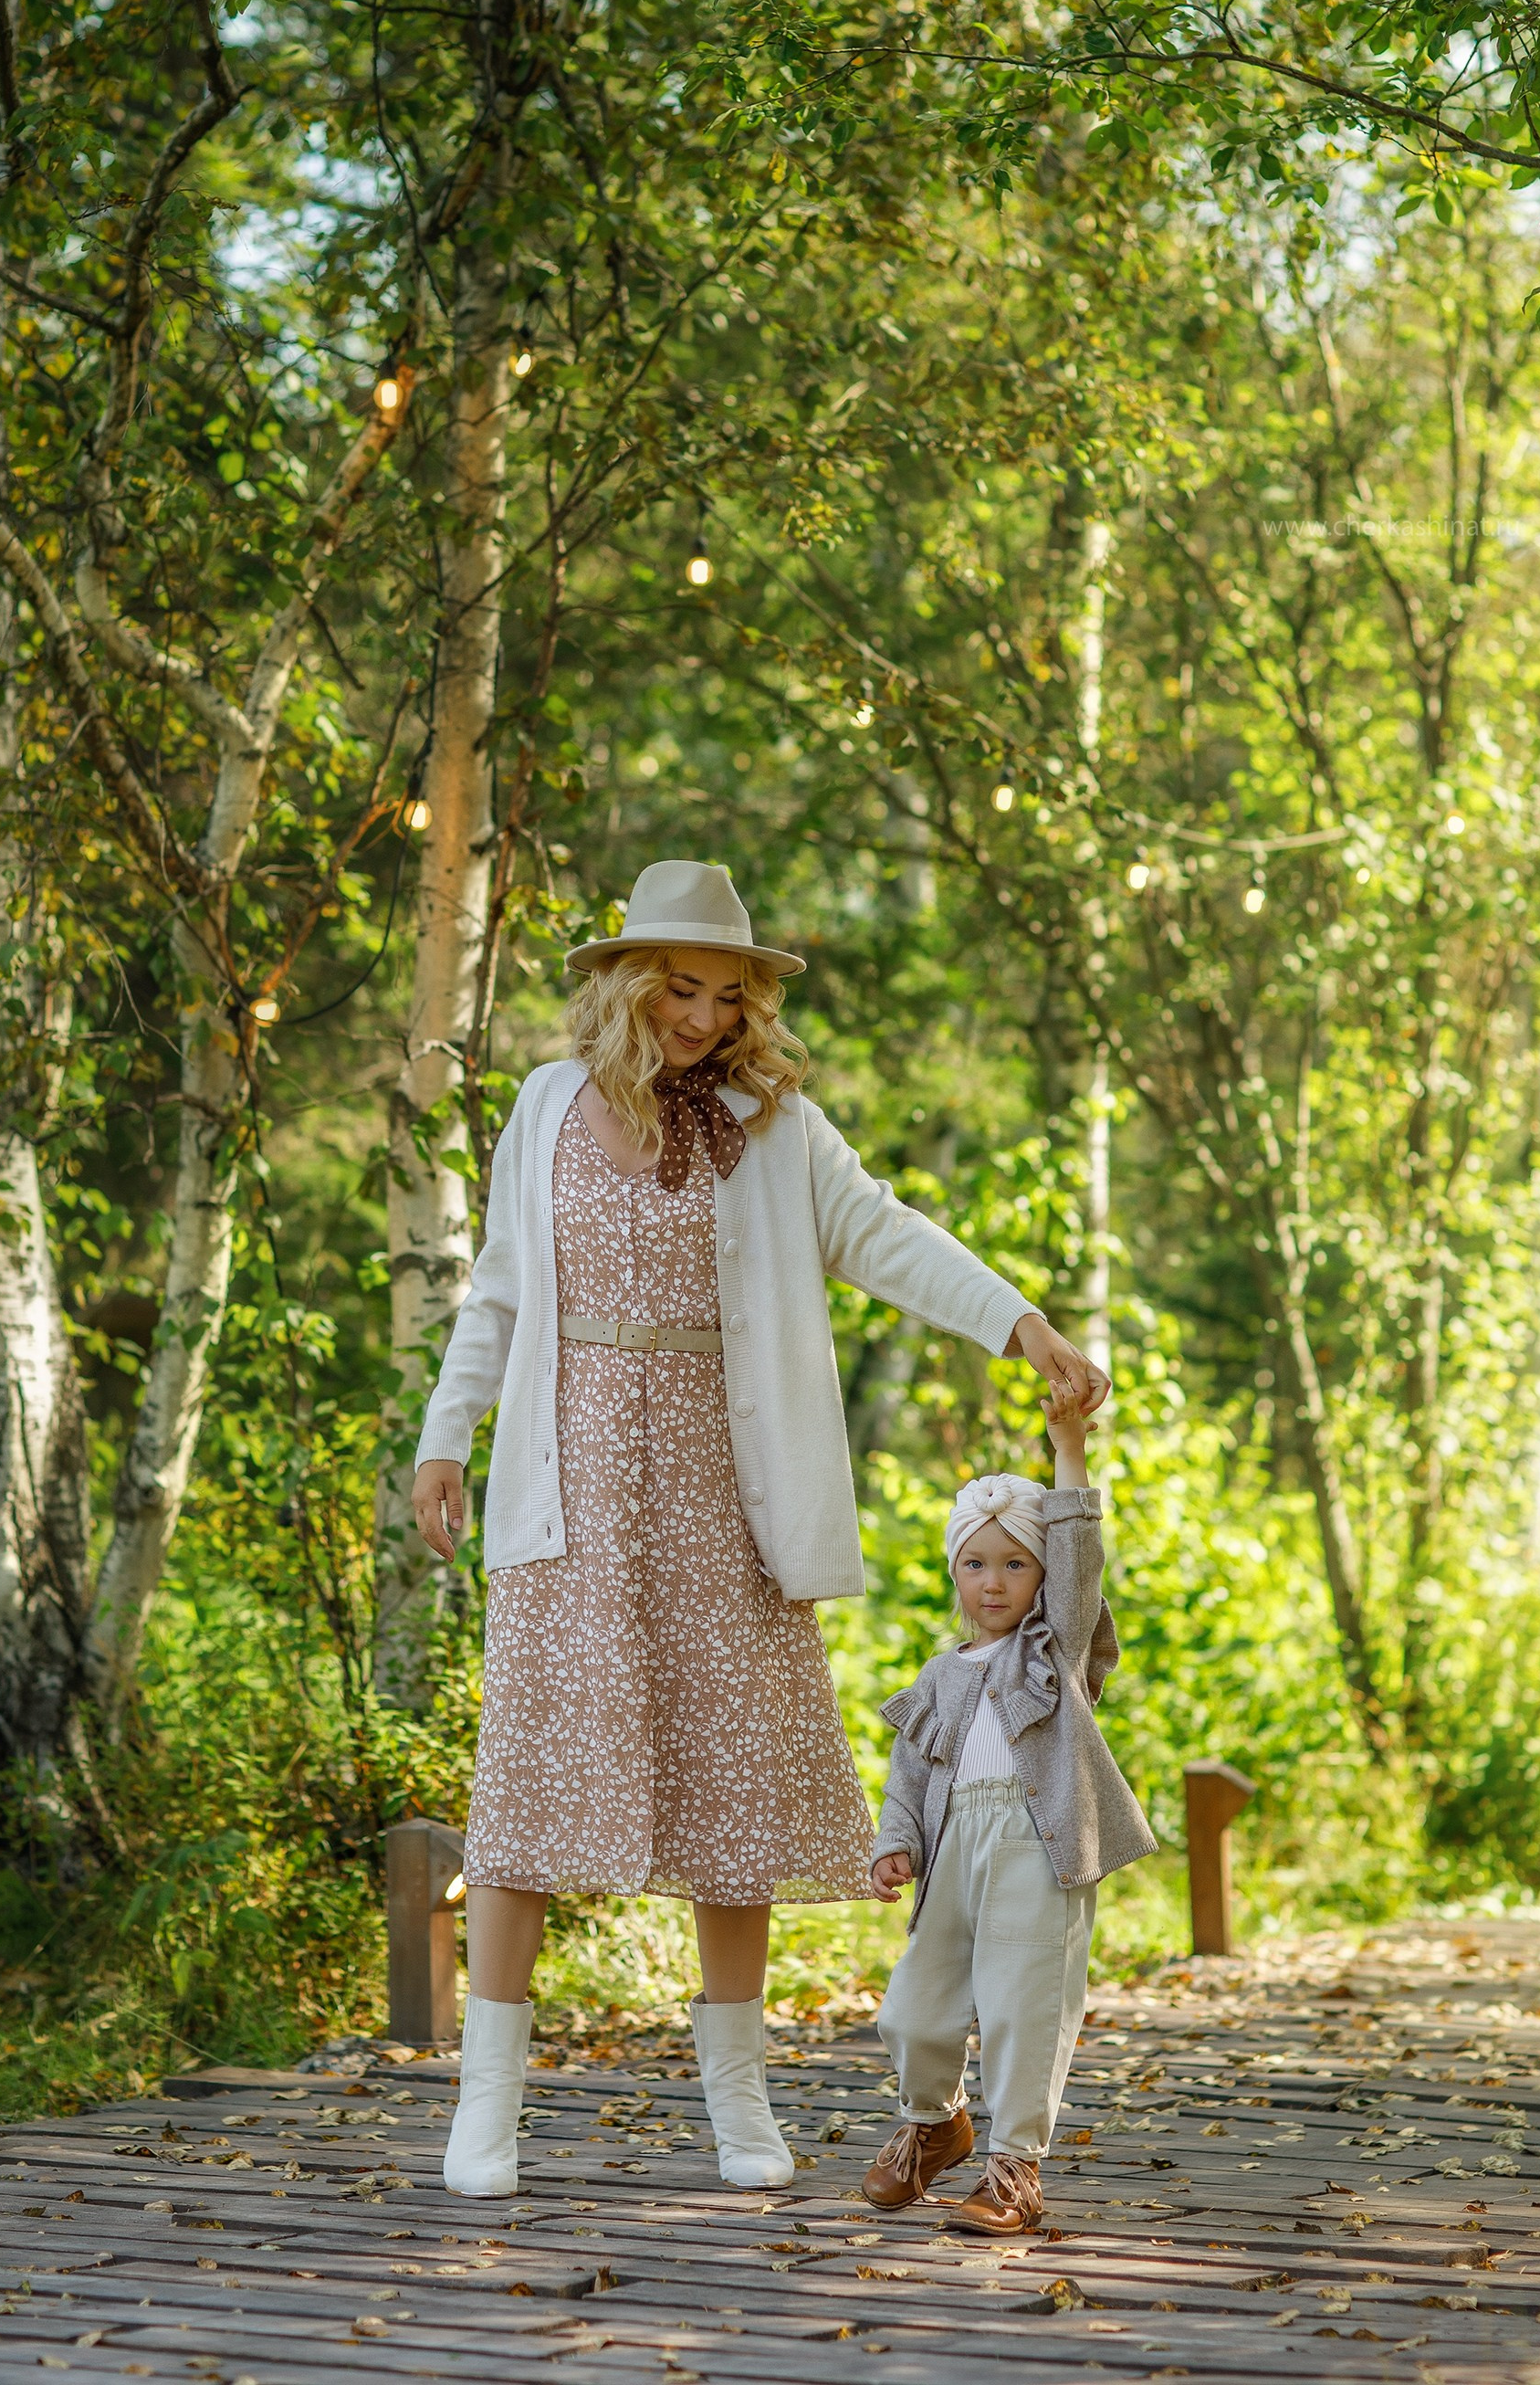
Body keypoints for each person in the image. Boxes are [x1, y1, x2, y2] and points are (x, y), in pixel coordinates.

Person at [409, 856, 1108, 2198]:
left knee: (733, 1796)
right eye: (681, 987)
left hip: (727, 1497)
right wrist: (449, 1439)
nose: (702, 1017)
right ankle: (483, 2111)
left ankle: (737, 2100)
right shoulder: (546, 1106)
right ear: (624, 982)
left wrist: (1021, 1323)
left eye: (727, 996)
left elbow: (890, 1235)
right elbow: (498, 1294)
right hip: (572, 1492)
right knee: (530, 1792)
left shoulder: (771, 1125)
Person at [862, 1403, 1157, 2233]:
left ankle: (1013, 2166)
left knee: (1025, 2004)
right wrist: (896, 1843)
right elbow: (908, 1778)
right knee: (913, 2010)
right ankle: (935, 2124)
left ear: (1039, 1578)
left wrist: (1069, 1449)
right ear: (955, 1571)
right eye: (976, 1564)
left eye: (1016, 1565)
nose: (994, 1583)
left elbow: (1078, 1561)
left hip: (1037, 1840)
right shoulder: (939, 1674)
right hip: (955, 1847)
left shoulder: (1054, 1650)